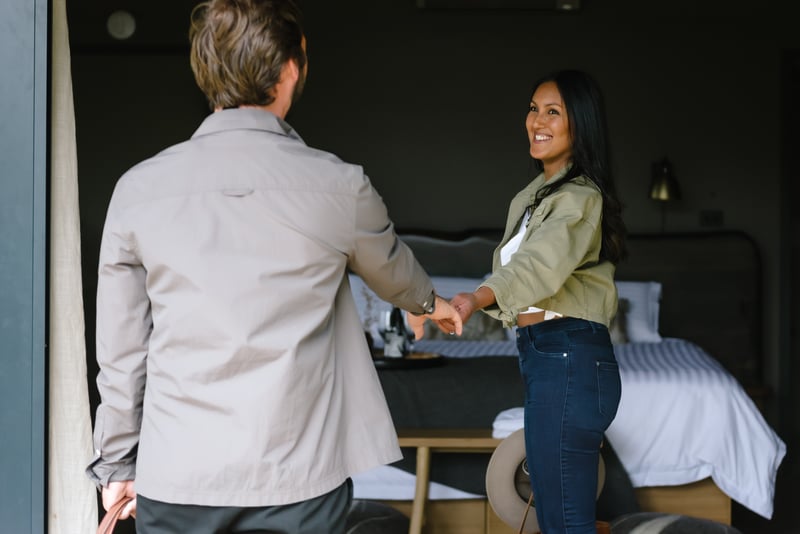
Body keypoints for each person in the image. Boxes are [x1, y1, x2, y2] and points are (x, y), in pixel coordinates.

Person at [85, 1, 462, 532]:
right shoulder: (339, 186)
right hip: (300, 478)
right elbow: (392, 270)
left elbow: (121, 355)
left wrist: (118, 462)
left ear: (205, 70)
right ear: (291, 68)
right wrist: (433, 303)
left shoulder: (136, 191)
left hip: (177, 475)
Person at [447, 69, 627, 534]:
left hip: (570, 355)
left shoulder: (580, 197)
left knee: (565, 523)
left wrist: (476, 298)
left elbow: (538, 268)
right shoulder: (533, 198)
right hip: (547, 355)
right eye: (533, 109)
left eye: (553, 111)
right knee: (556, 519)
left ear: (579, 124)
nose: (537, 121)